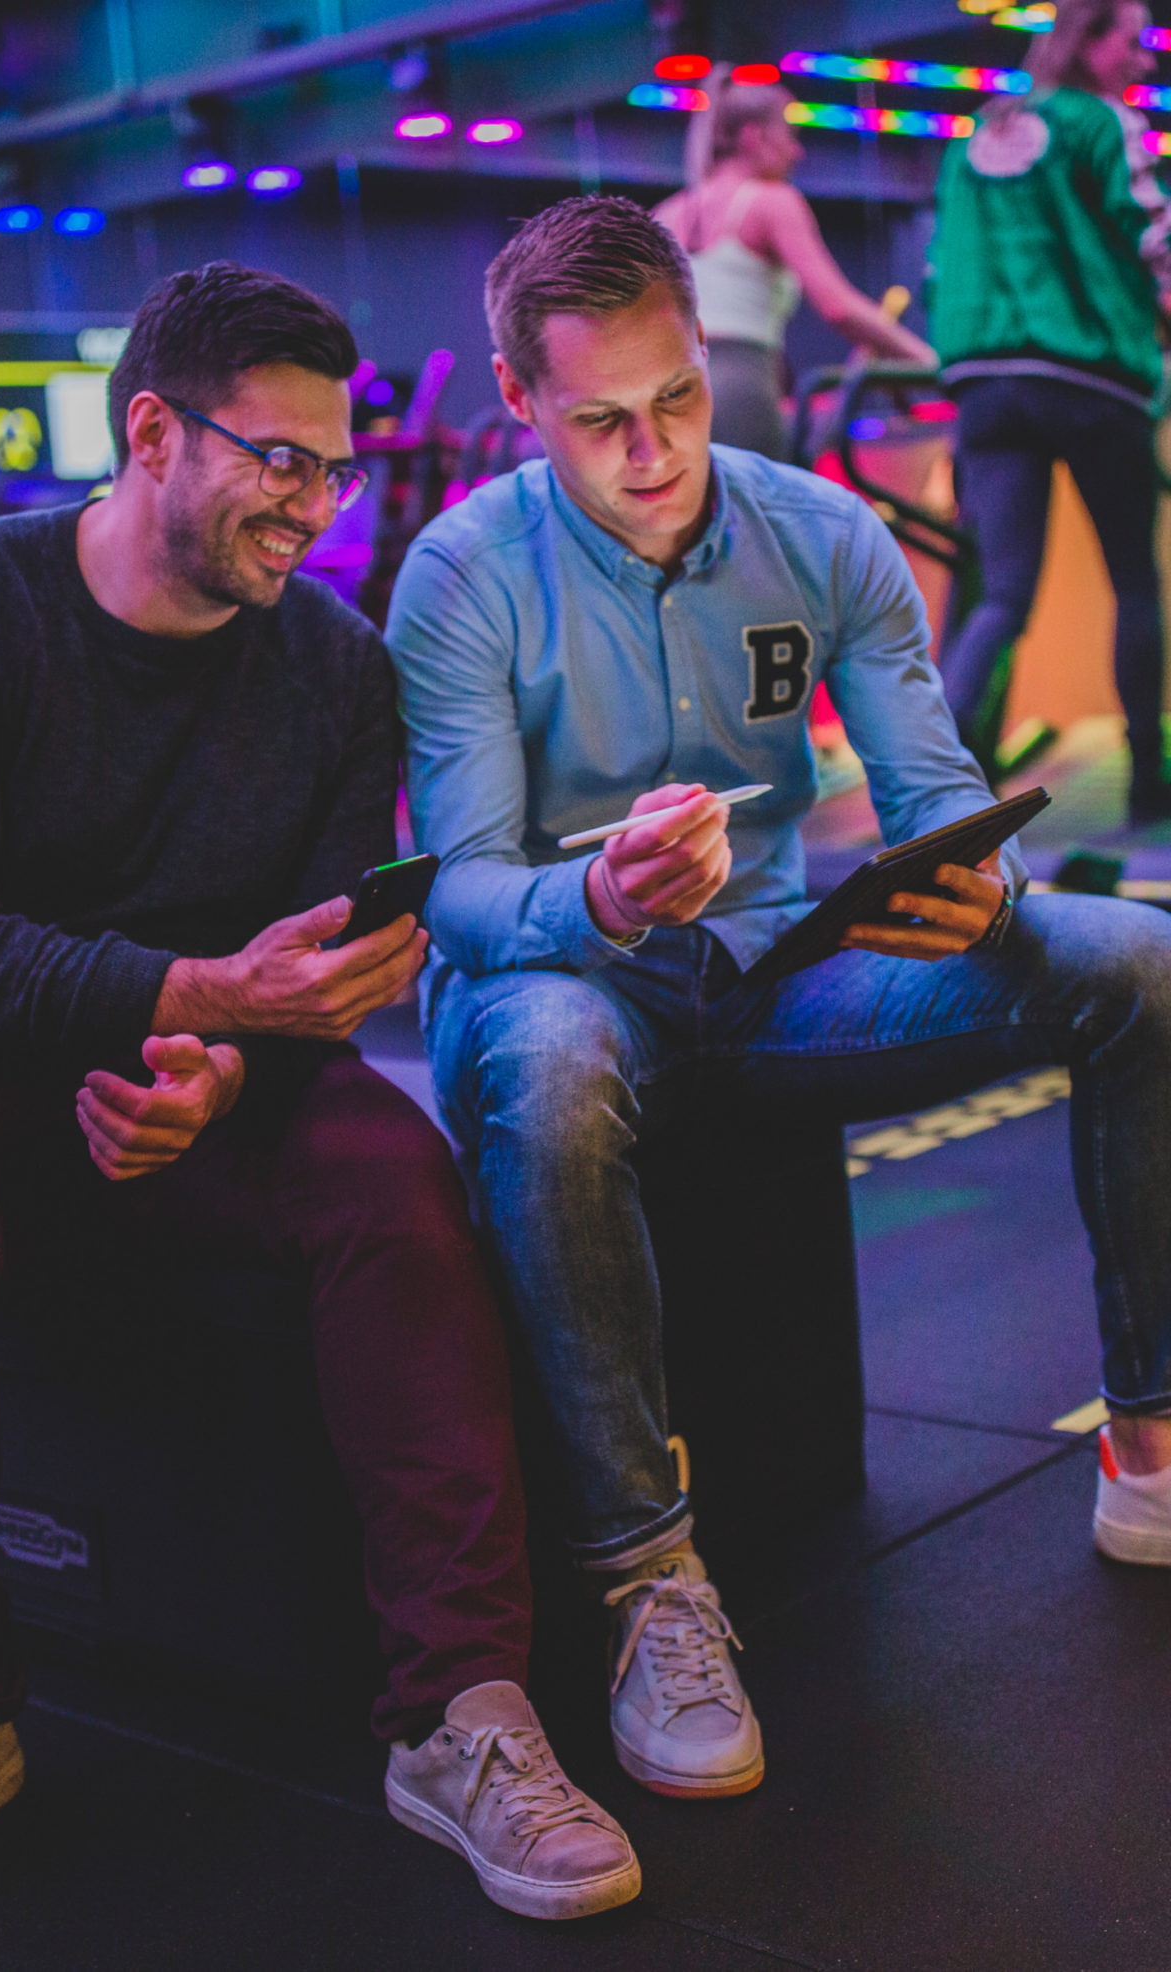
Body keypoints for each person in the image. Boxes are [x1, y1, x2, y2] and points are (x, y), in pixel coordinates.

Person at [0, 262, 640, 1927]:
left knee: (399, 1194)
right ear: (150, 434)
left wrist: (221, 1060)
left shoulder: (333, 663)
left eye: (331, 471)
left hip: (211, 1055)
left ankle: (460, 1711)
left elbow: (321, 946)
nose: (314, 508)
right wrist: (195, 1000)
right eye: (277, 461)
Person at [386, 194, 1171, 1804]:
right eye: (602, 421)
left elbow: (934, 793)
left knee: (1142, 959)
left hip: (771, 971)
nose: (655, 450)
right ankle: (649, 1581)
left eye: (678, 400)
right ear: (520, 399)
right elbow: (458, 892)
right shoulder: (462, 572)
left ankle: (1146, 1440)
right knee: (539, 1059)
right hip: (554, 983)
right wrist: (591, 898)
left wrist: (977, 886)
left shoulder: (821, 530)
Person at [929, 0, 1171, 821]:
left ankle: (942, 788)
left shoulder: (982, 128)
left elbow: (945, 256)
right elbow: (1155, 239)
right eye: (1134, 45)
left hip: (986, 380)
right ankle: (1149, 787)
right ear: (1093, 42)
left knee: (1002, 595)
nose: (1144, 64)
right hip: (1093, 375)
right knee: (1134, 582)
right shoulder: (1102, 121)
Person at [653, 66, 935, 459]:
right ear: (755, 136)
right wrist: (927, 359)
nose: (797, 151)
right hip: (740, 395)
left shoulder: (666, 214)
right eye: (790, 136)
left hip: (667, 396)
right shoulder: (772, 201)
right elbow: (838, 307)